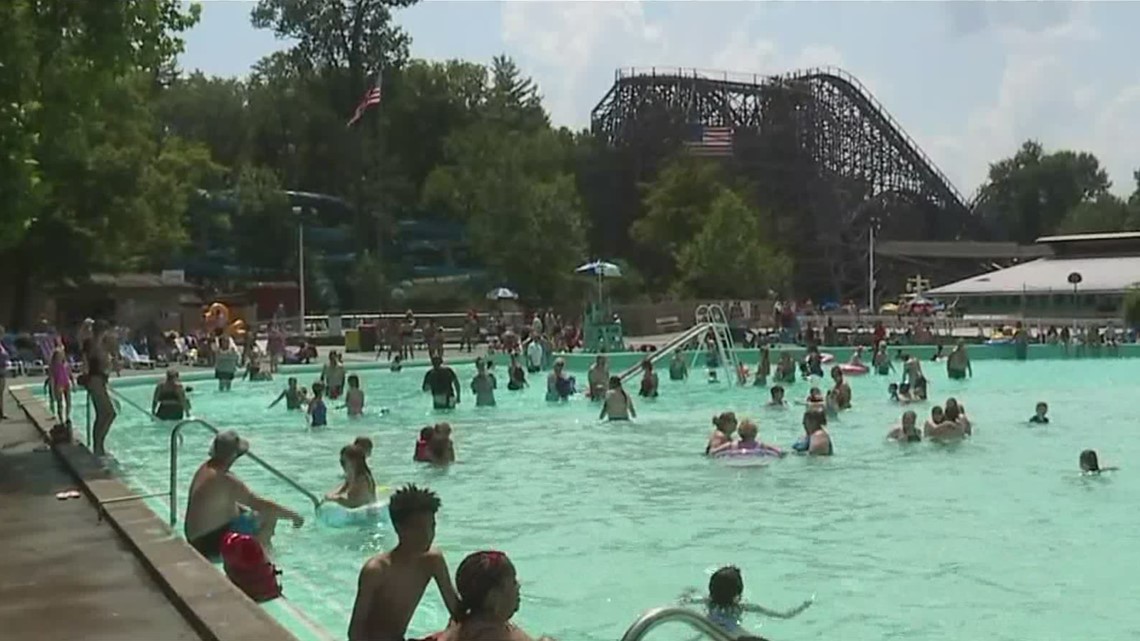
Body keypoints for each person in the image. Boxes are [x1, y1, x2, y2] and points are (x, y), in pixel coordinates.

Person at [347, 485, 461, 641]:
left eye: (432, 526)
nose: (428, 534)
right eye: (419, 528)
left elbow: (456, 610)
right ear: (398, 528)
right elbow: (355, 632)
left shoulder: (433, 560)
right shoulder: (377, 570)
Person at [184, 430, 304, 558]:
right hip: (209, 545)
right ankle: (264, 561)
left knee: (249, 513)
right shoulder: (226, 479)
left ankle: (260, 555)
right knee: (269, 514)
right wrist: (294, 516)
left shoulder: (205, 469)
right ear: (234, 455)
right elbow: (260, 504)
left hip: (196, 539)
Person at [433, 550, 557, 641]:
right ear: (493, 597)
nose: (518, 586)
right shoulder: (488, 634)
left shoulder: (469, 621)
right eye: (513, 582)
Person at [679, 565, 813, 640]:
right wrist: (803, 606)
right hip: (733, 632)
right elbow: (783, 615)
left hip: (708, 628)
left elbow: (684, 601)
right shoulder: (742, 607)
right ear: (737, 596)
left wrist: (689, 592)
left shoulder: (708, 602)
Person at [83, 321, 117, 457]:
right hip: (95, 380)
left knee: (105, 414)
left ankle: (99, 446)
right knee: (108, 413)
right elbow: (91, 361)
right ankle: (98, 446)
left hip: (100, 380)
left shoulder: (102, 346)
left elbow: (109, 365)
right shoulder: (92, 345)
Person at [326, 444, 377, 509]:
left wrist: (337, 499)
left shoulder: (362, 479)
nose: (341, 464)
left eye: (343, 462)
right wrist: (330, 495)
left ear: (354, 462)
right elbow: (341, 489)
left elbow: (354, 503)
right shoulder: (352, 476)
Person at [48, 341, 75, 424]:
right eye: (59, 356)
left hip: (66, 384)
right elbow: (52, 379)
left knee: (68, 402)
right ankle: (61, 419)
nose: (60, 357)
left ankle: (67, 417)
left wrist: (73, 384)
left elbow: (70, 375)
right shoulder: (53, 367)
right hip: (58, 385)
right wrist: (53, 390)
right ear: (55, 357)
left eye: (62, 355)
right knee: (60, 403)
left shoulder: (66, 364)